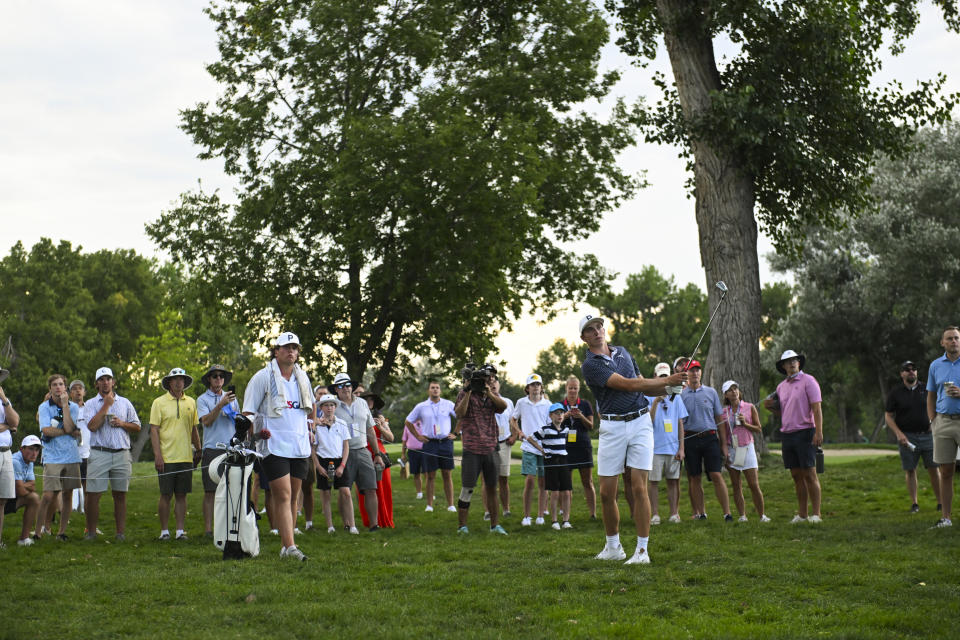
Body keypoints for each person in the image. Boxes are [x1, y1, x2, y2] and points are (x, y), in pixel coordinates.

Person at [580, 314, 687, 564]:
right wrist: (667, 382)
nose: (597, 331)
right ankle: (613, 547)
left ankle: (642, 551)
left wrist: (668, 388)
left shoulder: (624, 353)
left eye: (599, 326)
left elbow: (641, 384)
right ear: (584, 338)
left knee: (639, 486)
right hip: (611, 427)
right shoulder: (590, 366)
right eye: (590, 329)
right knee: (607, 492)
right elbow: (626, 385)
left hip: (640, 422)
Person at [242, 332, 314, 561]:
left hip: (299, 444)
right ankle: (291, 546)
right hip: (272, 444)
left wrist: (311, 431)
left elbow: (309, 411)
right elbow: (248, 412)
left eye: (294, 348)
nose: (291, 351)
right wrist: (252, 437)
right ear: (276, 351)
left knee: (293, 496)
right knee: (282, 495)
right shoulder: (263, 377)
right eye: (286, 347)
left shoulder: (303, 378)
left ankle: (286, 545)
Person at [84, 367, 141, 541]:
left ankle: (120, 534)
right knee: (93, 494)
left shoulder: (125, 402)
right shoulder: (90, 404)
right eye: (101, 379)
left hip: (121, 453)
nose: (105, 382)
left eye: (108, 378)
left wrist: (122, 423)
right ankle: (91, 532)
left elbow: (137, 426)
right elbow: (92, 426)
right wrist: (107, 405)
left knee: (120, 494)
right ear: (96, 384)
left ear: (113, 382)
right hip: (99, 452)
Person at [453, 367, 508, 534]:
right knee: (467, 488)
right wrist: (469, 391)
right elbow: (459, 414)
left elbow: (503, 406)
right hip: (471, 448)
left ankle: (495, 525)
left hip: (490, 446)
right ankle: (462, 526)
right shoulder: (464, 394)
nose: (488, 381)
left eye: (489, 379)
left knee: (492, 487)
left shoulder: (491, 394)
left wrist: (489, 393)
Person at [149, 368, 201, 541]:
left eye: (181, 379)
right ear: (169, 383)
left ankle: (180, 531)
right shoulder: (159, 402)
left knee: (182, 495)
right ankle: (164, 531)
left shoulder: (191, 402)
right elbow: (154, 430)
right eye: (175, 379)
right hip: (166, 457)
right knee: (166, 495)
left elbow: (194, 428)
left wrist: (198, 450)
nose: (179, 382)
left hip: (186, 456)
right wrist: (158, 455)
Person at [773, 349, 823, 524]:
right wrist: (770, 407)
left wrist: (818, 432)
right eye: (788, 361)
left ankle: (816, 514)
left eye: (794, 360)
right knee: (796, 475)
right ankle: (802, 514)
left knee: (809, 473)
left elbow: (816, 408)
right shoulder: (781, 387)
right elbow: (784, 410)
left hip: (806, 432)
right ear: (784, 366)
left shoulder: (809, 381)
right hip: (787, 434)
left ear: (799, 363)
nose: (792, 363)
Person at [885, 360, 941, 514]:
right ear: (901, 373)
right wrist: (899, 434)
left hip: (928, 435)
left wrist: (934, 423)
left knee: (934, 469)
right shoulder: (895, 393)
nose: (911, 371)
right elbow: (888, 416)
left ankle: (941, 502)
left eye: (913, 369)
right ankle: (915, 503)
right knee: (910, 470)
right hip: (907, 437)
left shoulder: (927, 389)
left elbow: (938, 406)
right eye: (907, 369)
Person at [681, 360, 732, 521]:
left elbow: (719, 419)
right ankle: (701, 513)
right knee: (695, 477)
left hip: (710, 438)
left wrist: (723, 444)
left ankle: (727, 513)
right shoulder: (681, 395)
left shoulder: (711, 393)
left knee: (716, 474)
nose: (695, 373)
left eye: (697, 370)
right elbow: (679, 422)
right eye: (691, 370)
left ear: (701, 373)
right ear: (686, 374)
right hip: (690, 438)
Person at [331, 372, 383, 531]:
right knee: (344, 490)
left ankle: (374, 524)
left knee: (370, 488)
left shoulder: (362, 403)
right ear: (336, 389)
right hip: (342, 453)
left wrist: (377, 454)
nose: (345, 388)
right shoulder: (332, 406)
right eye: (341, 386)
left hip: (362, 450)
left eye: (347, 385)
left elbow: (370, 430)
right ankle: (348, 524)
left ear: (352, 387)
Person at [37, 374, 82, 540]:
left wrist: (65, 406)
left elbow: (71, 426)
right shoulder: (44, 407)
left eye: (61, 384)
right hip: (52, 457)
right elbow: (46, 430)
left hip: (71, 456)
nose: (58, 387)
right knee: (49, 495)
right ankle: (42, 528)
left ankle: (61, 532)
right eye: (54, 384)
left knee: (67, 494)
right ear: (50, 388)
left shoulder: (73, 407)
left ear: (65, 388)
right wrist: (67, 432)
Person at [197, 365, 240, 537]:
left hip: (230, 449)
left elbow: (237, 421)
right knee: (210, 491)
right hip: (212, 449)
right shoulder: (202, 399)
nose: (218, 379)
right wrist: (220, 405)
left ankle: (229, 526)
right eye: (215, 376)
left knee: (231, 490)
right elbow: (206, 421)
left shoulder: (232, 398)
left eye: (221, 377)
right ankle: (208, 529)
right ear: (209, 379)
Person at [405, 380, 457, 513]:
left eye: (437, 388)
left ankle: (451, 505)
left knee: (447, 474)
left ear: (440, 390)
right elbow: (408, 421)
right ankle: (429, 505)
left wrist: (457, 432)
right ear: (429, 390)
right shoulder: (421, 406)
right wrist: (418, 436)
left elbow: (462, 416)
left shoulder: (448, 404)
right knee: (430, 475)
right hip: (430, 443)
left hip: (445, 442)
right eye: (432, 388)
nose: (435, 390)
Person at [721, 380, 769, 522]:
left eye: (735, 388)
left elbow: (758, 429)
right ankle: (742, 516)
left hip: (747, 448)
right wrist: (725, 452)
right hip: (733, 449)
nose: (734, 392)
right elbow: (723, 435)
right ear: (726, 395)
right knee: (736, 485)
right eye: (730, 390)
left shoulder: (749, 407)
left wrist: (745, 423)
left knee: (753, 484)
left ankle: (762, 515)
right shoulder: (724, 413)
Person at [926, 326, 960, 529]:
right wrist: (933, 421)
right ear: (942, 342)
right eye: (950, 338)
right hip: (943, 422)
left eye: (957, 338)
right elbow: (930, 395)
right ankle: (946, 518)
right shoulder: (935, 365)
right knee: (946, 471)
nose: (954, 341)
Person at [647, 362, 688, 525]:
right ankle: (655, 514)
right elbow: (648, 420)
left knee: (673, 481)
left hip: (673, 448)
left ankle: (674, 513)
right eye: (661, 376)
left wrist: (682, 448)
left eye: (666, 376)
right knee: (654, 482)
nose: (664, 379)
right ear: (655, 377)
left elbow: (680, 423)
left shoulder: (676, 397)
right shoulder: (648, 396)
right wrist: (656, 401)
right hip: (655, 448)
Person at [511, 373, 552, 526]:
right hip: (528, 447)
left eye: (538, 384)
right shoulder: (521, 403)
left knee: (543, 482)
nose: (535, 387)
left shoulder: (547, 404)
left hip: (543, 448)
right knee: (529, 481)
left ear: (541, 387)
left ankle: (541, 515)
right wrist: (518, 432)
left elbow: (550, 425)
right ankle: (527, 516)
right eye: (532, 385)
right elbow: (513, 419)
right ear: (527, 388)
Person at [529, 403, 573, 530]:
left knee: (566, 491)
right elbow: (531, 438)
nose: (559, 415)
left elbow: (570, 442)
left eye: (561, 413)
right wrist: (542, 450)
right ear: (550, 415)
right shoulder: (545, 429)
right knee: (554, 492)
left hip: (564, 461)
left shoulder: (566, 430)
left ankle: (566, 520)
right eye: (556, 413)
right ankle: (554, 521)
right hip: (551, 461)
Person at [312, 393, 351, 533]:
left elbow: (346, 446)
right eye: (326, 405)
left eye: (332, 405)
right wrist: (318, 466)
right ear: (321, 407)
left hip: (339, 460)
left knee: (346, 491)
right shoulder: (317, 425)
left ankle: (351, 525)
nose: (329, 408)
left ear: (335, 407)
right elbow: (313, 448)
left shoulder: (341, 423)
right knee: (326, 494)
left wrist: (342, 465)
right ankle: (330, 526)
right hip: (323, 460)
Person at [560, 375, 596, 520]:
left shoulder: (585, 404)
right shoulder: (560, 405)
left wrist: (581, 416)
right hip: (565, 447)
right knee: (566, 482)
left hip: (583, 446)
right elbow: (555, 425)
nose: (573, 391)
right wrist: (566, 416)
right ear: (566, 388)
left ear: (579, 389)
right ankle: (565, 512)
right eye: (570, 388)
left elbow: (591, 426)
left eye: (575, 388)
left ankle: (593, 513)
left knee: (587, 481)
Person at [358, 390, 394, 528]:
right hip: (364, 451)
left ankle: (385, 519)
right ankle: (370, 521)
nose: (369, 402)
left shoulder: (380, 418)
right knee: (367, 488)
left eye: (371, 400)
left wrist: (380, 426)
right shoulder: (359, 416)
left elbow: (390, 438)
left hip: (380, 453)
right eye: (366, 400)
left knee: (383, 487)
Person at [484, 376, 517, 520]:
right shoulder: (483, 401)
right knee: (487, 480)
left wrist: (514, 435)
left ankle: (506, 509)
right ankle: (487, 511)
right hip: (488, 444)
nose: (493, 385)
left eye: (495, 383)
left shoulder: (508, 402)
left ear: (499, 385)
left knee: (503, 478)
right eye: (489, 383)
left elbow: (513, 420)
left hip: (504, 442)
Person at [2, 435, 42, 547]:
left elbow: (33, 485)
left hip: (10, 496)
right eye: (30, 448)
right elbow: (21, 492)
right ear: (21, 449)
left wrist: (20, 485)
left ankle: (24, 539)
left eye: (37, 449)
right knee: (33, 497)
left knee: (34, 498)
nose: (34, 453)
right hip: (5, 497)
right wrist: (23, 486)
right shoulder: (16, 461)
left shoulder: (30, 462)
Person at [0, 375, 20, 549]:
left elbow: (15, 422)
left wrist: (4, 399)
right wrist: (7, 426)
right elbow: (10, 425)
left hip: (6, 453)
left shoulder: (4, 401)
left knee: (2, 500)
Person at [68, 380, 90, 514]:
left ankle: (86, 511)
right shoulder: (66, 409)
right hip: (70, 453)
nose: (77, 391)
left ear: (84, 392)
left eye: (80, 388)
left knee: (87, 485)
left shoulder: (90, 408)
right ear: (70, 393)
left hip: (87, 452)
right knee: (69, 485)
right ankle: (69, 510)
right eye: (74, 389)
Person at [401, 420, 425, 499]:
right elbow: (404, 440)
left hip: (426, 451)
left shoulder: (426, 422)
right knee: (416, 473)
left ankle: (430, 493)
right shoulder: (408, 424)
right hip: (412, 452)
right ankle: (419, 492)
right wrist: (403, 454)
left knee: (428, 473)